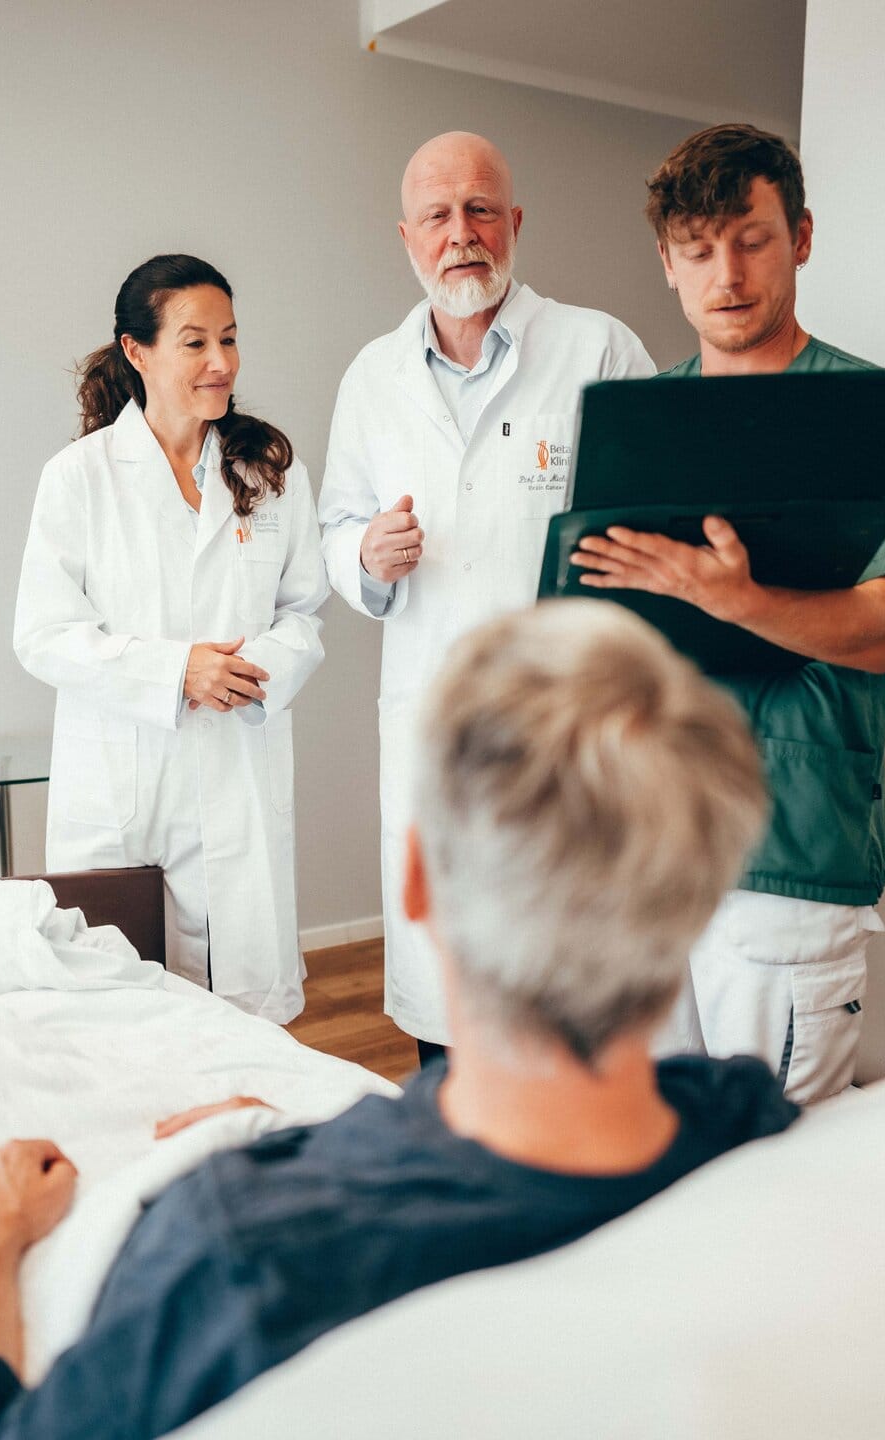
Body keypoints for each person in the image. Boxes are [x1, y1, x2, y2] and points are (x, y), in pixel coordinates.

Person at [0, 600, 794, 1440]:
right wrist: (317, 1136)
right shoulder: (752, 1128)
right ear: (701, 893)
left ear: (417, 883)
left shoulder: (244, 1250)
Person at [572, 124, 885, 1102]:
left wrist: (736, 599)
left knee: (774, 1165)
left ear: (799, 236)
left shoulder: (868, 421)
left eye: (751, 239)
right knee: (648, 1150)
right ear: (668, 264)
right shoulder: (639, 424)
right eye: (700, 250)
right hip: (647, 857)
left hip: (788, 859)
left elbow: (878, 630)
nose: (729, 274)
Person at [319, 131, 656, 1065]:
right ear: (407, 237)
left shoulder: (597, 348)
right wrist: (366, 557)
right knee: (450, 1001)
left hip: (565, 727)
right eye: (437, 216)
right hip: (434, 721)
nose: (460, 233)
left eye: (480, 211)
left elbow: (654, 518)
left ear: (514, 223)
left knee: (568, 997)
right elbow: (333, 532)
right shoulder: (371, 378)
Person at [13, 254, 327, 1022]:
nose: (221, 363)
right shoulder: (80, 478)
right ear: (137, 350)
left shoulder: (270, 472)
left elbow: (305, 612)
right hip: (128, 792)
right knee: (129, 1025)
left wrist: (253, 669)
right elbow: (43, 634)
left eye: (229, 338)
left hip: (238, 770)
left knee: (248, 1030)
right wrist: (174, 670)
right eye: (194, 342)